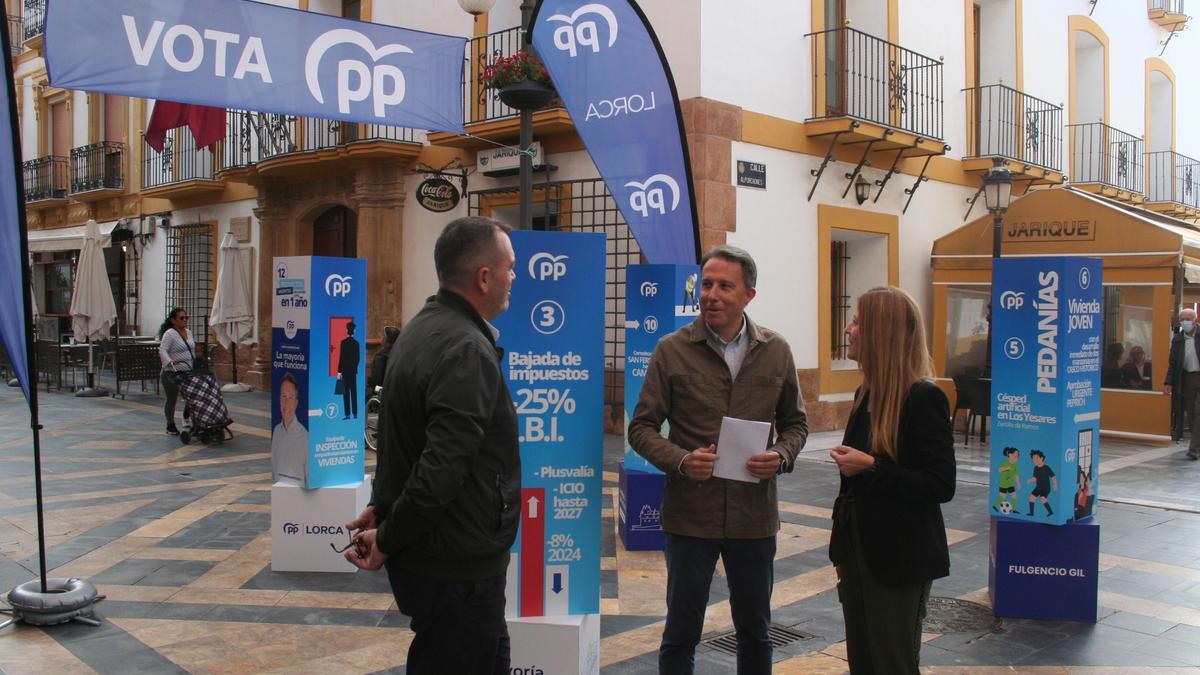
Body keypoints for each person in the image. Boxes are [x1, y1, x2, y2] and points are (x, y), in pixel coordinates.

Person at [344, 216, 519, 674]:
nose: (512, 279)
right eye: (510, 268)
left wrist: (383, 508)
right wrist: (389, 535)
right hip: (454, 561)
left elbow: (403, 439)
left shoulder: (422, 328)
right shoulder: (464, 348)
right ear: (484, 277)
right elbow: (442, 466)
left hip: (452, 556)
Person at [628, 245, 808, 675]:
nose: (711, 294)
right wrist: (682, 459)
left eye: (724, 286)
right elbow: (641, 429)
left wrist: (780, 456)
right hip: (691, 517)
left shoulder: (776, 351)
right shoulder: (671, 350)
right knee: (680, 632)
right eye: (706, 284)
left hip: (754, 518)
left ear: (749, 295)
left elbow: (797, 425)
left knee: (756, 631)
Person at [828, 286, 955, 675]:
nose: (848, 330)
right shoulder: (865, 392)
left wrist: (871, 467)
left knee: (892, 663)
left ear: (880, 334)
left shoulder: (922, 398)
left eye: (857, 322)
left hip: (899, 558)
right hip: (858, 550)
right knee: (863, 662)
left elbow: (940, 484)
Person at [1164, 308, 1200, 459]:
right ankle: (1196, 442)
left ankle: (1193, 449)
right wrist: (1168, 382)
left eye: (1188, 319)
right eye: (1183, 319)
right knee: (1191, 413)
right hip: (1187, 378)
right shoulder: (1178, 339)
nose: (1185, 322)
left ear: (1195, 320)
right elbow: (1173, 363)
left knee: (1198, 412)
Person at [158, 307, 196, 435]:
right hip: (172, 372)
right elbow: (162, 350)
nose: (185, 320)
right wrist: (170, 361)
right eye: (181, 318)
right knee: (172, 399)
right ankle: (170, 425)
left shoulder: (189, 332)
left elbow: (191, 349)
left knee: (192, 396)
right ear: (174, 320)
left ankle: (186, 417)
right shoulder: (170, 334)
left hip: (188, 371)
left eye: (186, 317)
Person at [271, 373, 308, 484]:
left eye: (290, 397)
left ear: (296, 403)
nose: (286, 403)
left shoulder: (305, 438)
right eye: (283, 396)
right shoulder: (277, 431)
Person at [338, 320, 362, 420]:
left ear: (346, 330)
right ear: (354, 331)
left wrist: (339, 371)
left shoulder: (343, 343)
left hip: (344, 371)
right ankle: (355, 413)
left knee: (345, 393)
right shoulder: (356, 343)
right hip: (353, 372)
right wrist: (354, 368)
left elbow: (341, 358)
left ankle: (347, 414)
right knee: (354, 392)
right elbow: (358, 358)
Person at [367, 325, 400, 392]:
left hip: (382, 394)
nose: (381, 338)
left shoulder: (380, 357)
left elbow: (377, 382)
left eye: (383, 336)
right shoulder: (400, 354)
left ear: (387, 341)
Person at [1025, 449, 1057, 516]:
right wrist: (1030, 480)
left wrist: (1055, 485)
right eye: (1033, 459)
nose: (1035, 460)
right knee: (1031, 497)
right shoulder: (1035, 468)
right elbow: (1035, 478)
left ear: (1042, 458)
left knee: (1042, 498)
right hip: (1038, 487)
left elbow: (1053, 476)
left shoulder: (1046, 468)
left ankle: (1050, 511)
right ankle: (1031, 513)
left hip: (1046, 488)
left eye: (1037, 458)